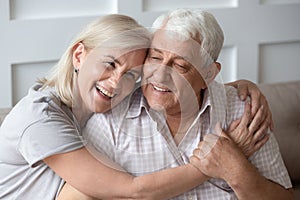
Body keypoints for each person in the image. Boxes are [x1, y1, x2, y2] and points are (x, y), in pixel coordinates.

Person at [0, 13, 270, 200]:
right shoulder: (41, 118)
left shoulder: (93, 108)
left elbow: (175, 81)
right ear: (79, 55)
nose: (117, 82)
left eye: (131, 74)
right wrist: (224, 161)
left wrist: (235, 85)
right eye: (110, 64)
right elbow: (133, 190)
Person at [82, 9, 293, 199]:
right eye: (155, 57)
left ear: (208, 74)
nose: (161, 75)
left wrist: (235, 169)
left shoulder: (243, 111)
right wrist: (212, 165)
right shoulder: (109, 122)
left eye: (180, 66)